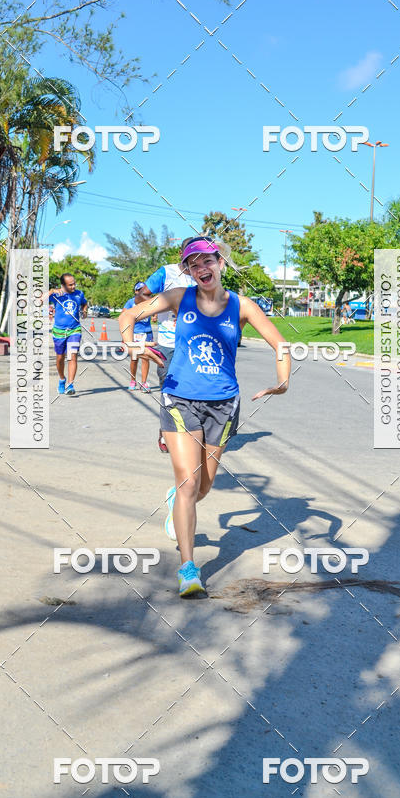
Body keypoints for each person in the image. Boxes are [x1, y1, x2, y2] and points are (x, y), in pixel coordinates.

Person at [119, 237, 291, 598]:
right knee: (187, 483)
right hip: (180, 398)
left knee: (203, 486)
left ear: (220, 263)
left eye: (206, 262)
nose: (201, 269)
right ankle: (188, 568)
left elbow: (281, 345)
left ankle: (177, 503)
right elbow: (130, 314)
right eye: (193, 265)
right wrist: (131, 343)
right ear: (188, 271)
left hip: (224, 404)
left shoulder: (243, 306)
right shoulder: (179, 298)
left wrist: (282, 381)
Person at [139, 238, 195, 452]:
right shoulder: (166, 273)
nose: (195, 259)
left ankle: (188, 434)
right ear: (181, 253)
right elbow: (143, 293)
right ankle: (165, 434)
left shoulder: (202, 275)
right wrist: (160, 305)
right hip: (168, 343)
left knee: (191, 393)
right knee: (169, 393)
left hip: (193, 345)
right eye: (190, 254)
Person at [48, 273, 87, 395]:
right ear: (63, 285)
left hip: (74, 329)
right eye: (70, 285)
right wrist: (51, 291)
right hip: (59, 331)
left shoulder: (79, 294)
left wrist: (85, 310)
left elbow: (84, 303)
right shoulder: (56, 295)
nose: (74, 286)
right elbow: (39, 300)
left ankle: (70, 384)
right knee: (60, 358)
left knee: (72, 355)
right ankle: (62, 379)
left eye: (74, 283)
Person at [123, 281, 154, 392]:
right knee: (134, 359)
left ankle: (144, 383)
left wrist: (154, 316)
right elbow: (123, 318)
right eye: (139, 290)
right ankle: (133, 380)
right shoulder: (130, 303)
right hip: (134, 333)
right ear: (136, 291)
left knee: (146, 358)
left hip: (147, 333)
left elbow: (156, 310)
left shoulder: (150, 302)